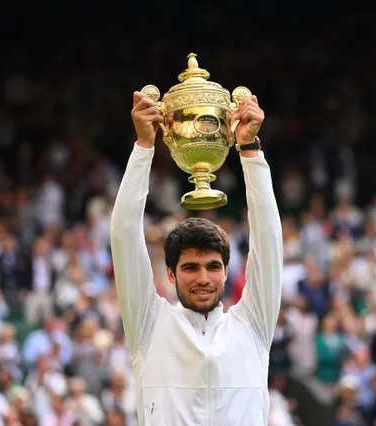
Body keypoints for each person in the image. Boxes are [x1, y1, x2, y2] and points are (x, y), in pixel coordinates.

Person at [110, 91, 283, 425]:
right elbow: (123, 236)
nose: (203, 278)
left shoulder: (253, 326)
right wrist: (144, 147)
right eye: (190, 267)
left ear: (226, 272)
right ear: (171, 274)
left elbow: (270, 240)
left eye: (213, 267)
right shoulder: (149, 326)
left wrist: (250, 151)